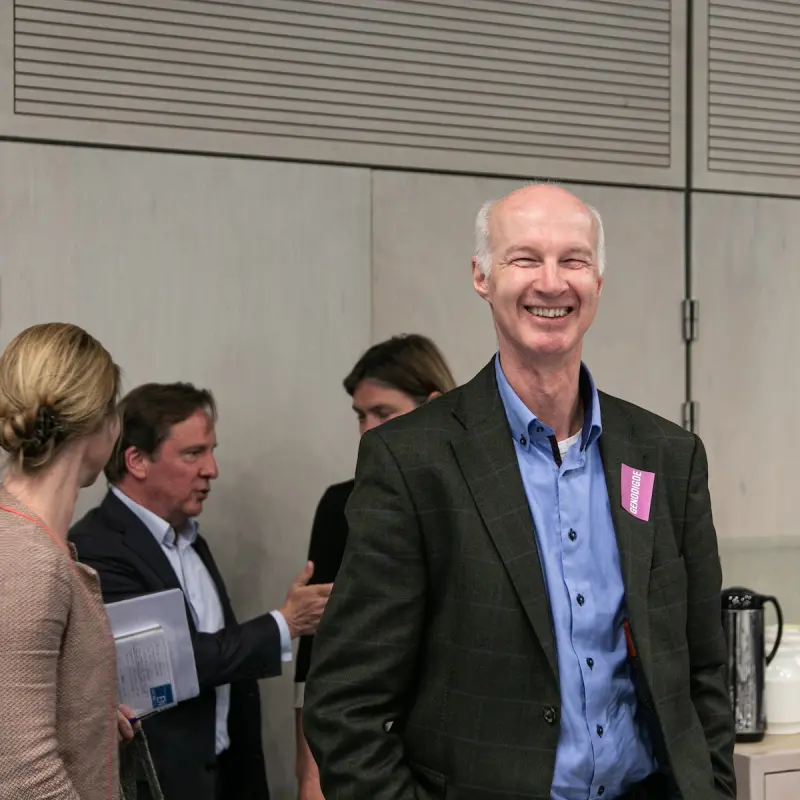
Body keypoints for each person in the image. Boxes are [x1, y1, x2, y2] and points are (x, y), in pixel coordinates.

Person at [303, 185, 737, 800]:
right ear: (482, 276)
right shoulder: (412, 461)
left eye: (574, 260)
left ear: (599, 283)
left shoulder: (667, 457)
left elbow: (701, 669)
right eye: (525, 258)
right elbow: (346, 704)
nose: (552, 282)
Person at [69, 382, 332, 800]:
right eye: (194, 454)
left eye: (212, 451)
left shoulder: (190, 538)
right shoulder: (96, 546)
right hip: (165, 785)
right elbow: (172, 663)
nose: (212, 469)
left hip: (228, 775)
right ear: (136, 460)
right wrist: (285, 623)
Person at [294, 334, 457, 799]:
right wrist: (310, 773)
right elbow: (318, 650)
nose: (368, 429)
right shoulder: (341, 505)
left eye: (383, 414)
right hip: (374, 751)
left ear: (434, 406)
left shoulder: (484, 502)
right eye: (361, 416)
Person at [0, 322, 136, 800]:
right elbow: (22, 781)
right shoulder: (26, 562)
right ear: (102, 422)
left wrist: (89, 712)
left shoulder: (31, 546)